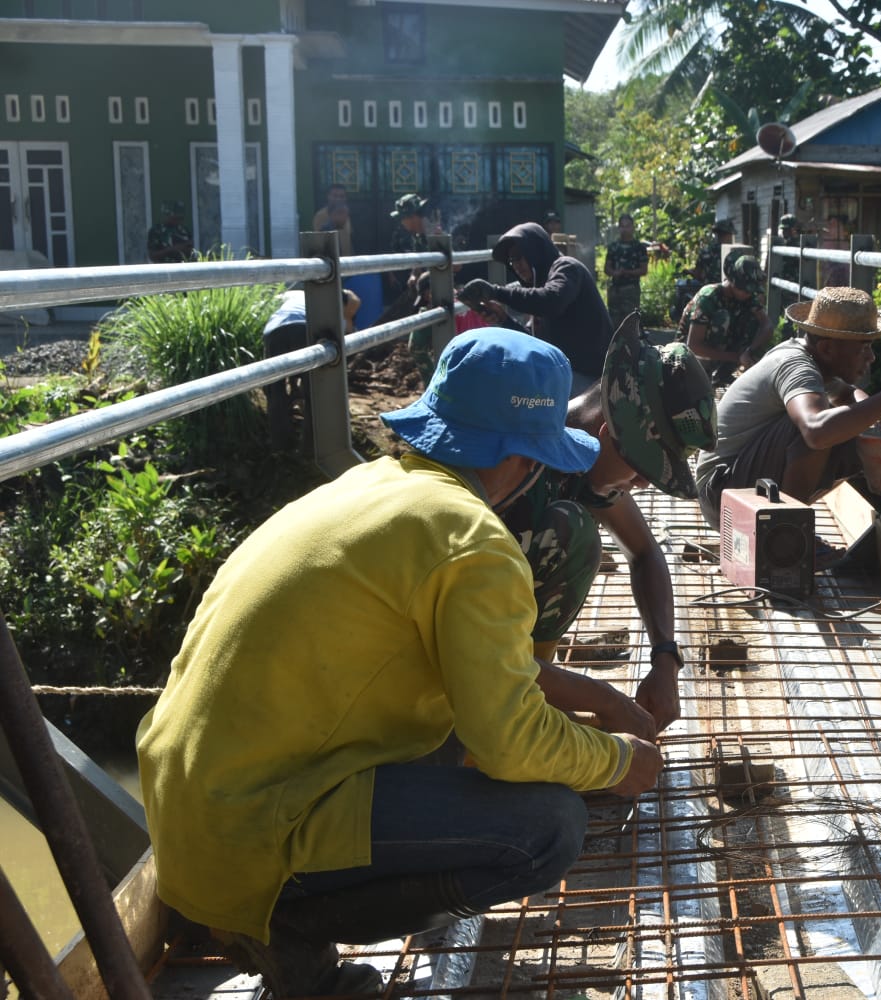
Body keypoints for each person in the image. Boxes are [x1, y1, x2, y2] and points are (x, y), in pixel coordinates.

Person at [136, 328, 664, 999]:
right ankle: (289, 928)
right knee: (549, 827)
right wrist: (618, 760)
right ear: (520, 459)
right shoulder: (475, 542)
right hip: (252, 832)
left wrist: (594, 710)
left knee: (454, 741)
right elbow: (510, 741)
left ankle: (269, 913)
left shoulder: (364, 487)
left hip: (188, 817)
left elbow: (488, 698)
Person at [502, 317, 716, 730]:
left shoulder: (587, 465)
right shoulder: (515, 472)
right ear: (605, 431)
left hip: (499, 651)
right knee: (574, 532)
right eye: (640, 468)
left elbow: (645, 551)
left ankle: (534, 688)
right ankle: (524, 704)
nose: (638, 485)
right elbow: (482, 655)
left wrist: (665, 657)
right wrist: (601, 706)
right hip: (468, 657)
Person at [694, 285, 881, 535]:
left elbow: (847, 394)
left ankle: (785, 529)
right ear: (826, 349)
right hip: (722, 496)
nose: (871, 357)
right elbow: (815, 431)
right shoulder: (797, 366)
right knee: (814, 427)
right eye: (863, 347)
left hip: (732, 490)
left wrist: (877, 415)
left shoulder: (813, 359)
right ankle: (786, 534)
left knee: (849, 425)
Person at [459, 222, 612, 394]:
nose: (515, 264)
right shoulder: (543, 285)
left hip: (592, 379)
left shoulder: (566, 267)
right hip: (566, 372)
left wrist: (495, 292)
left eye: (519, 256)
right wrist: (504, 319)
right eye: (511, 260)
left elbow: (552, 301)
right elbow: (536, 344)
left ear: (536, 250)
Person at [261, 285, 362, 450]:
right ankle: (310, 447)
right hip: (304, 328)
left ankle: (281, 446)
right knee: (314, 393)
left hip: (274, 330)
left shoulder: (294, 295)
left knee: (275, 389)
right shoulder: (332, 307)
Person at [675, 253, 772, 387]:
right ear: (733, 282)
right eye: (746, 290)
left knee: (753, 321)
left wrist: (749, 351)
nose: (749, 294)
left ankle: (722, 374)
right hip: (689, 358)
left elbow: (766, 325)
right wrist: (735, 356)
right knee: (723, 317)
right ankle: (705, 374)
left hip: (722, 352)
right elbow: (693, 345)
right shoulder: (709, 296)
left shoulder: (747, 297)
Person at [603, 213, 650, 330]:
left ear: (633, 227)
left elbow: (644, 270)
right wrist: (615, 273)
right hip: (615, 289)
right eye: (622, 226)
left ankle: (632, 347)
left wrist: (628, 272)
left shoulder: (639, 247)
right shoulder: (614, 247)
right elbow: (607, 268)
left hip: (631, 289)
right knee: (613, 323)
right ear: (619, 228)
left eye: (627, 226)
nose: (625, 229)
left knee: (631, 323)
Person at [386, 193, 436, 298]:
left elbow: (456, 265)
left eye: (402, 218)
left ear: (412, 217)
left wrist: (428, 276)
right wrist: (414, 275)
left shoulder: (435, 233)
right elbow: (418, 263)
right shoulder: (417, 236)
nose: (402, 223)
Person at [311, 184, 353, 256]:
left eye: (341, 196)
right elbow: (320, 241)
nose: (338, 199)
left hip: (347, 260)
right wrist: (333, 222)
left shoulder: (345, 213)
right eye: (335, 196)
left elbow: (348, 239)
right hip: (331, 260)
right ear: (328, 197)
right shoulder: (320, 215)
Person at [693, 218, 736, 285]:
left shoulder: (706, 251)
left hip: (710, 291)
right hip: (729, 292)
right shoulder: (735, 252)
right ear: (728, 234)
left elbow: (697, 274)